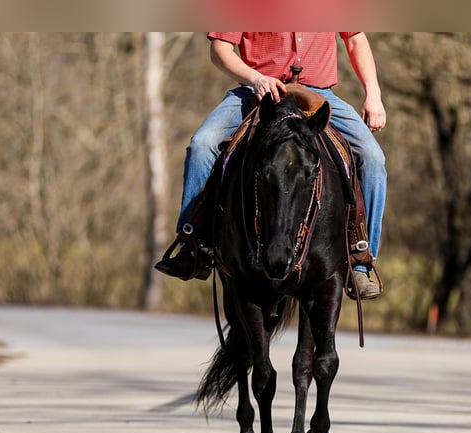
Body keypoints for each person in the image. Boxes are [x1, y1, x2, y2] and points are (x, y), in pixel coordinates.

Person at [156, 32, 387, 298]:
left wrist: (373, 93)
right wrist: (257, 79)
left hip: (320, 96)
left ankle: (361, 257)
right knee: (202, 144)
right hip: (256, 91)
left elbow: (356, 39)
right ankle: (192, 243)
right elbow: (219, 50)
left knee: (373, 158)